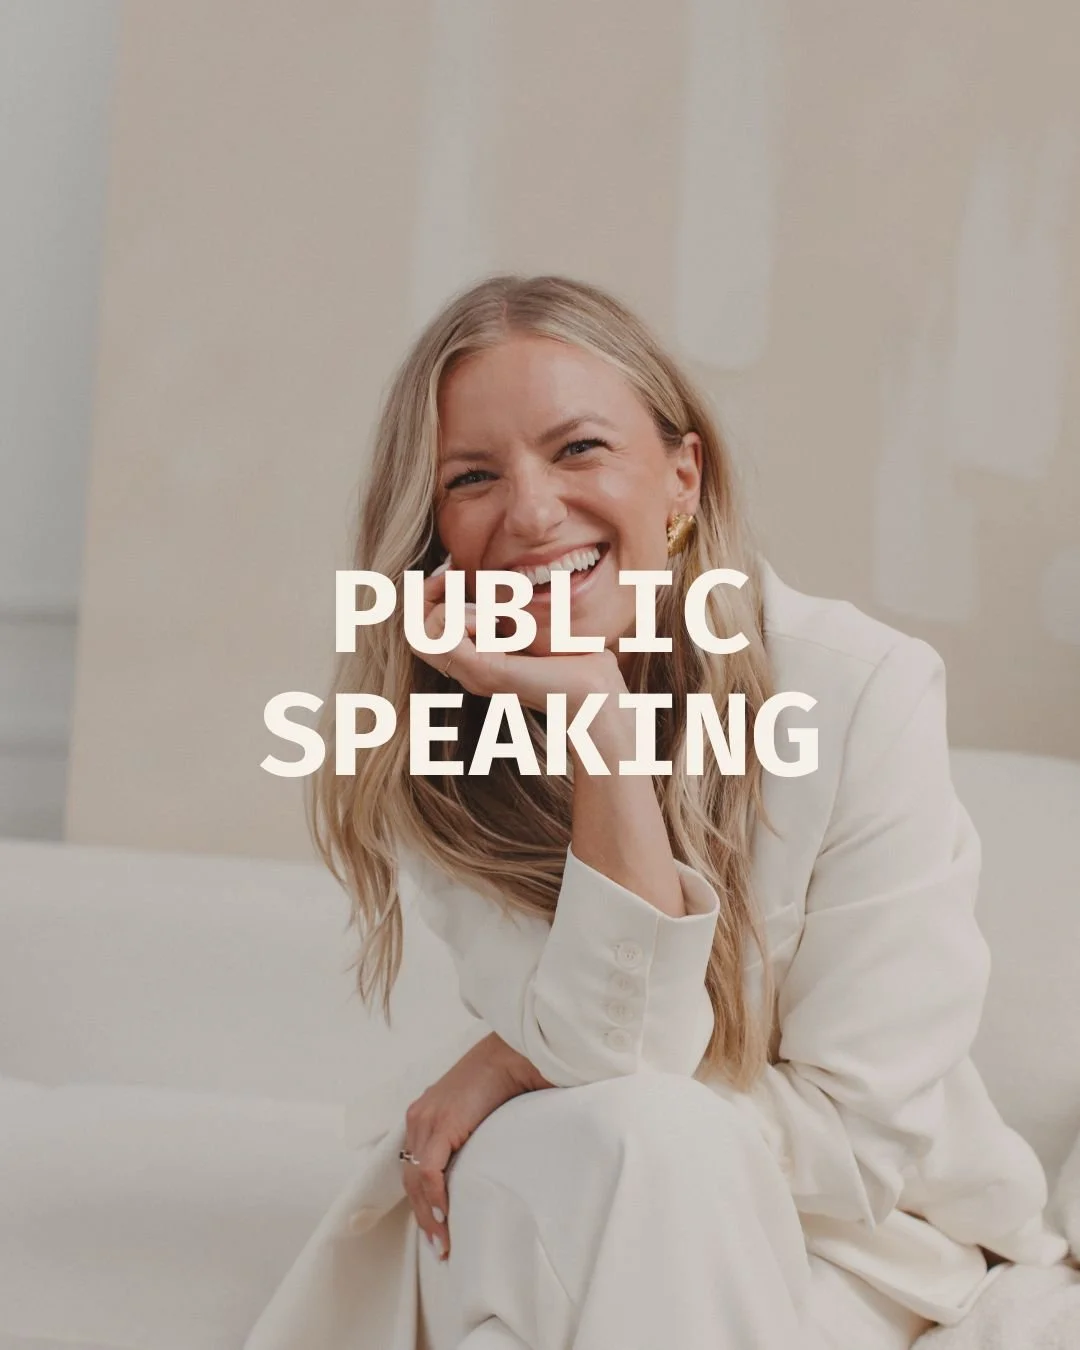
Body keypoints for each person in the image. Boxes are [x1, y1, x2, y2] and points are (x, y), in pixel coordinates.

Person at [243, 274, 1067, 1350]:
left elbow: (860, 1146)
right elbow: (616, 1061)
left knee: (660, 1140)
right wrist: (596, 719)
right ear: (436, 530)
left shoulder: (863, 690)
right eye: (472, 477)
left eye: (578, 449)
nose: (532, 512)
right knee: (652, 1136)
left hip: (851, 1243)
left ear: (682, 479)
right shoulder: (436, 749)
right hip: (567, 1191)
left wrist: (516, 1060)